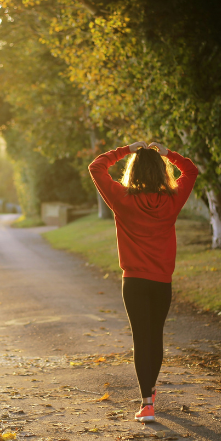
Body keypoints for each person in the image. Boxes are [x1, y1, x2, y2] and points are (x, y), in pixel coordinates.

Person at [88, 140, 199, 422]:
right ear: (162, 173)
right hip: (161, 281)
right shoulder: (172, 200)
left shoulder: (122, 199)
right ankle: (149, 392)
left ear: (133, 172)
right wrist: (168, 154)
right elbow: (191, 170)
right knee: (155, 336)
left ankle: (147, 403)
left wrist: (126, 150)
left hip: (134, 282)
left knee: (141, 338)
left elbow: (96, 166)